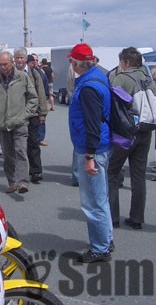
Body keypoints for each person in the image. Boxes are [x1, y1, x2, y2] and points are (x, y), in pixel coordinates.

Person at [67, 43, 114, 263]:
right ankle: (105, 239)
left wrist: (89, 157)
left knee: (93, 202)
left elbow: (92, 124)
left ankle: (100, 248)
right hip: (100, 145)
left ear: (76, 63)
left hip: (92, 148)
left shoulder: (88, 87)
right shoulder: (98, 77)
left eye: (72, 61)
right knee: (100, 198)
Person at [108, 47, 156, 230]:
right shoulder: (149, 80)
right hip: (146, 131)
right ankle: (136, 217)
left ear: (126, 62)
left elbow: (112, 106)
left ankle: (113, 217)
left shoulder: (122, 78)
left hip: (125, 132)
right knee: (138, 175)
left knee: (112, 172)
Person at [0, 51, 37, 194]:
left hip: (20, 123)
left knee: (20, 151)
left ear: (12, 63)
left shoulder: (22, 78)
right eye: (0, 65)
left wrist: (25, 115)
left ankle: (22, 182)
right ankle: (12, 182)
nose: (3, 67)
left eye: (5, 64)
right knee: (8, 155)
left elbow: (33, 98)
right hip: (2, 124)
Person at [25, 54, 49, 182]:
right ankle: (19, 172)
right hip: (16, 113)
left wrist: (42, 114)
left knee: (33, 142)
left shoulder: (35, 73)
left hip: (33, 113)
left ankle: (36, 171)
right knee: (17, 145)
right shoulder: (12, 73)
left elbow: (41, 93)